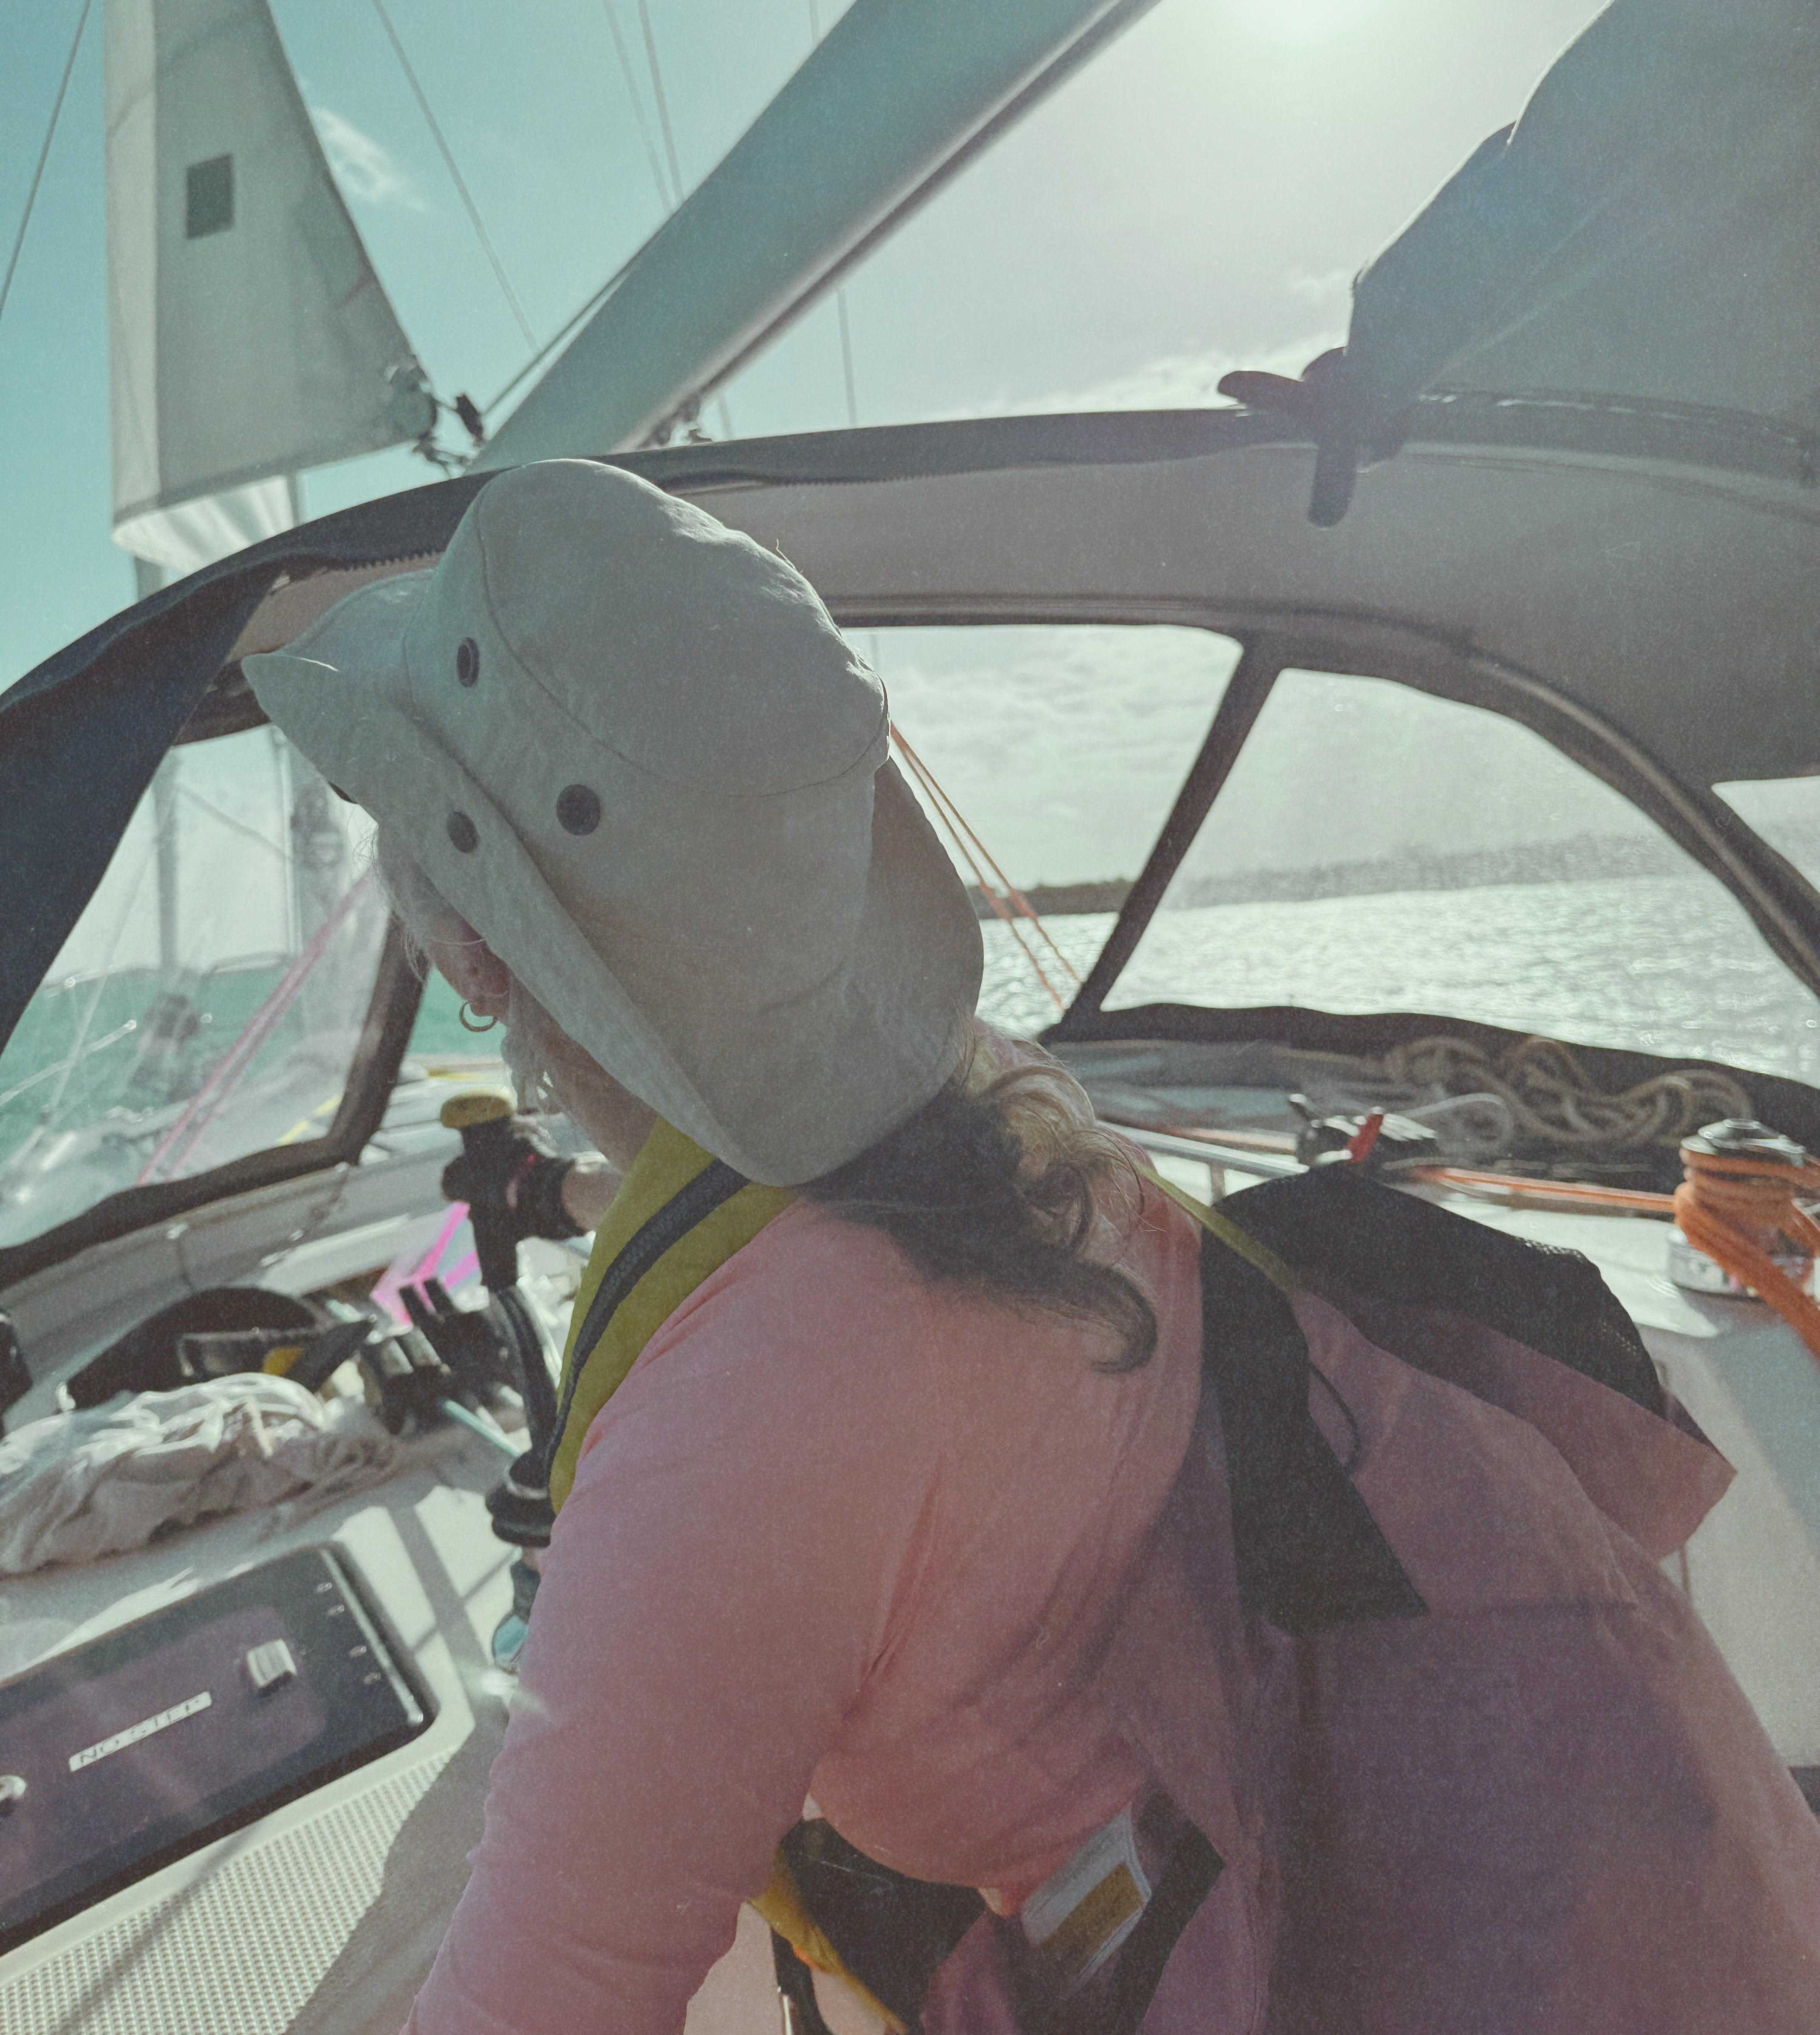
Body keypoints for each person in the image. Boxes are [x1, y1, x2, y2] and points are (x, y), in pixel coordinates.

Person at [246, 458, 1820, 2035]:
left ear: (469, 952)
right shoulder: (999, 1107)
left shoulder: (713, 1453)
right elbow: (834, 1291)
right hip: (1640, 1853)